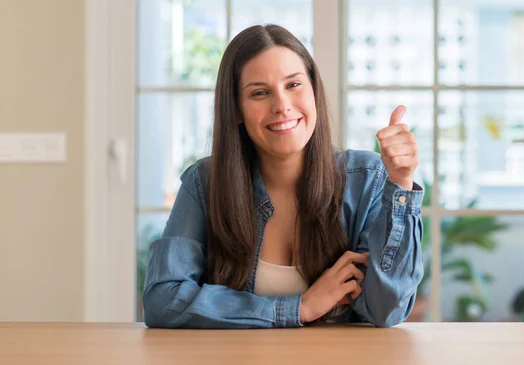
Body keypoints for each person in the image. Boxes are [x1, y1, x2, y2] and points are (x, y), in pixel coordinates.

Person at [142, 24, 424, 329]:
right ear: (236, 109)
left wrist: (401, 183)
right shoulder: (205, 183)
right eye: (260, 93)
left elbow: (386, 310)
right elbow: (163, 300)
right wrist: (299, 308)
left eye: (293, 85)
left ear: (314, 90)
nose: (282, 106)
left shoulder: (366, 179)